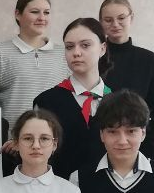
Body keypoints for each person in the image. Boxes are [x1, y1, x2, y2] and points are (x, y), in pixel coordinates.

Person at [33, 18, 113, 180]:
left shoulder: (118, 103)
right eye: (69, 47)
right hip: (60, 189)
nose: (76, 53)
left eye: (85, 45)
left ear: (102, 48)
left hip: (109, 189)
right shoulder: (46, 102)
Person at [99, 0, 154, 161]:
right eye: (108, 20)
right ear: (101, 23)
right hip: (97, 150)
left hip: (139, 151)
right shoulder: (93, 58)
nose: (115, 24)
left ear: (131, 18)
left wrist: (150, 148)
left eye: (121, 18)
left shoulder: (150, 61)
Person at [0, 0, 68, 132]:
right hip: (12, 140)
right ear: (17, 14)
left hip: (53, 139)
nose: (42, 18)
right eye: (35, 12)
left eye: (46, 13)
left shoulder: (64, 53)